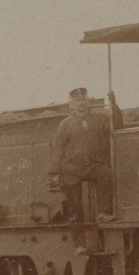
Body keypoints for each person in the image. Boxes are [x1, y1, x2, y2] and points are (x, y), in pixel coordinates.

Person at [46, 87, 115, 225]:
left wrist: (114, 105)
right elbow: (58, 149)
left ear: (89, 102)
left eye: (84, 99)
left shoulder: (100, 119)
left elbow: (117, 124)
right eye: (77, 100)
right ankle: (78, 237)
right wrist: (54, 173)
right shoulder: (65, 124)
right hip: (71, 169)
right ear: (71, 104)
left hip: (92, 165)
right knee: (75, 210)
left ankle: (103, 213)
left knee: (105, 173)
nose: (81, 103)